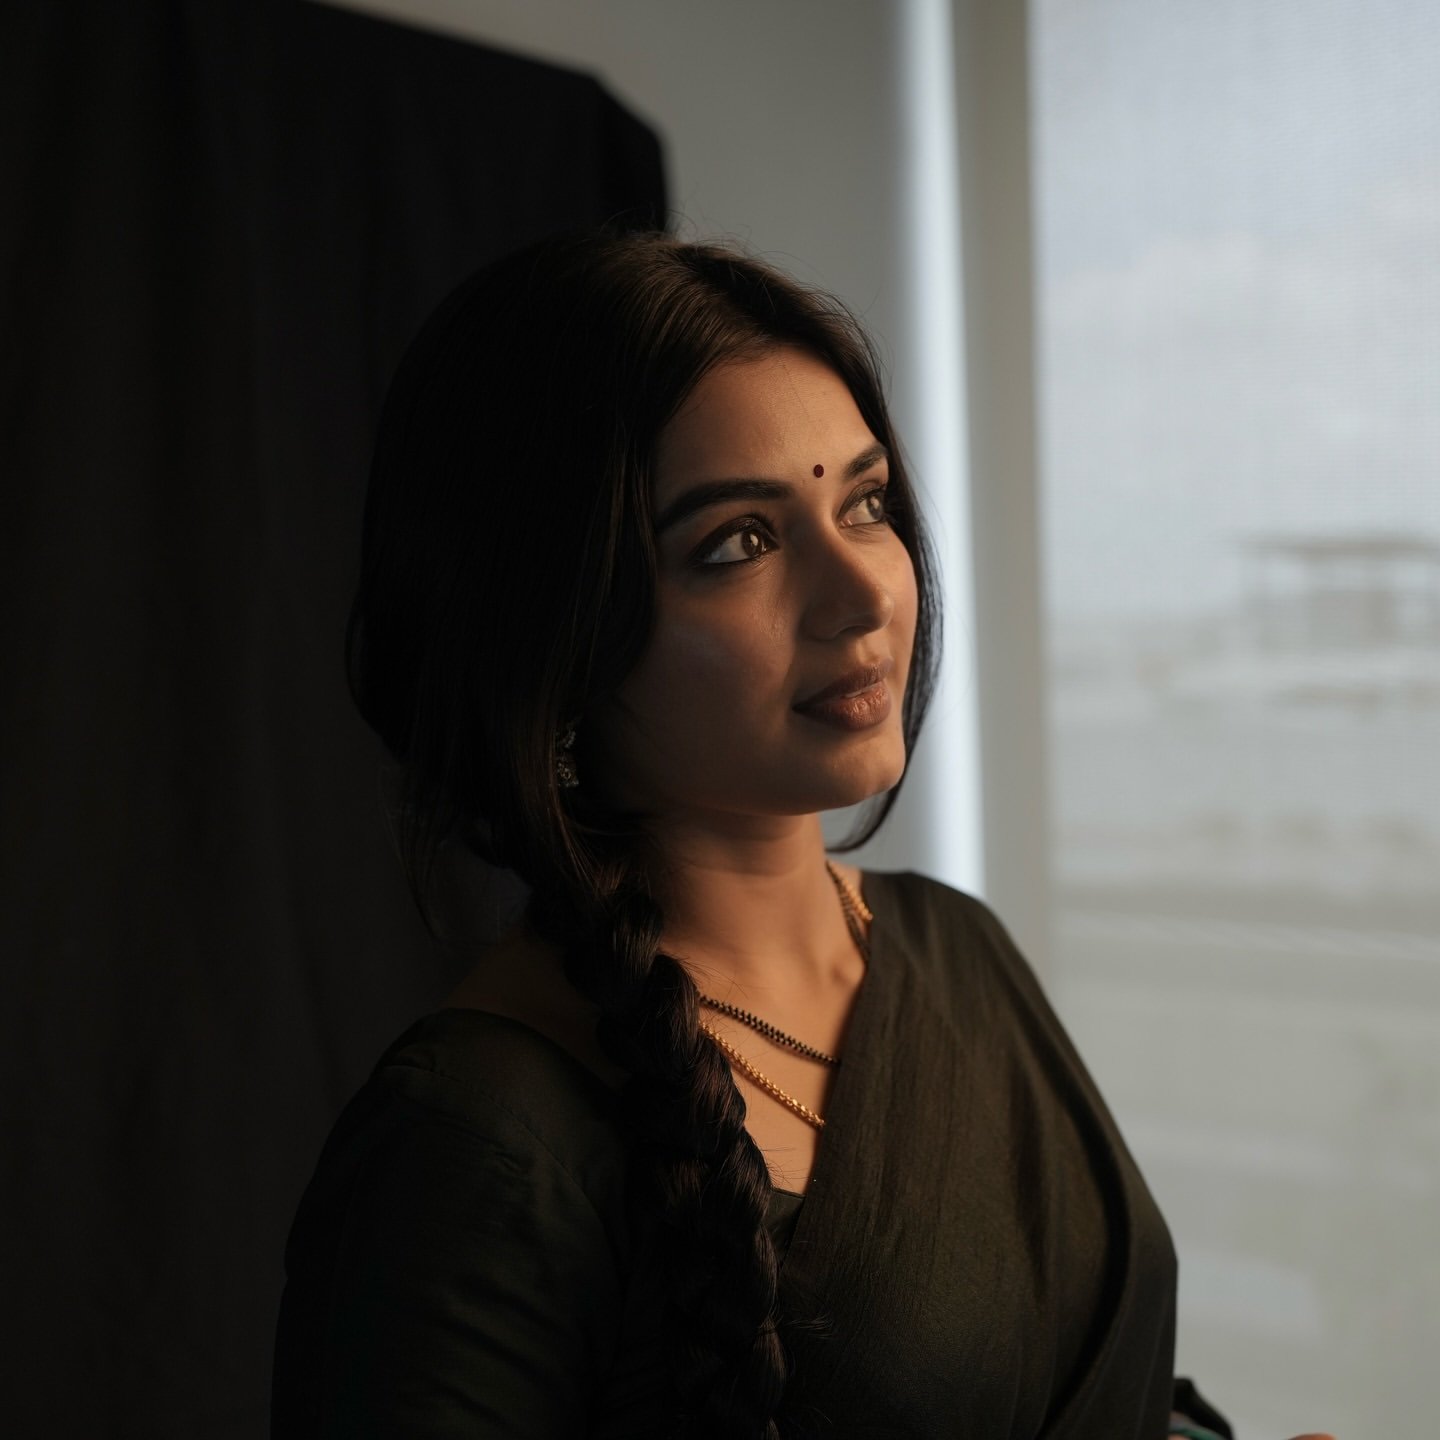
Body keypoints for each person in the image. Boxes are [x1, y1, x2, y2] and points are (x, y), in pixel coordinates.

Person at [269, 227, 1330, 1439]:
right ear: (550, 640)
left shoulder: (952, 949)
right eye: (742, 542)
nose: (864, 592)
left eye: (866, 503)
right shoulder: (482, 1141)